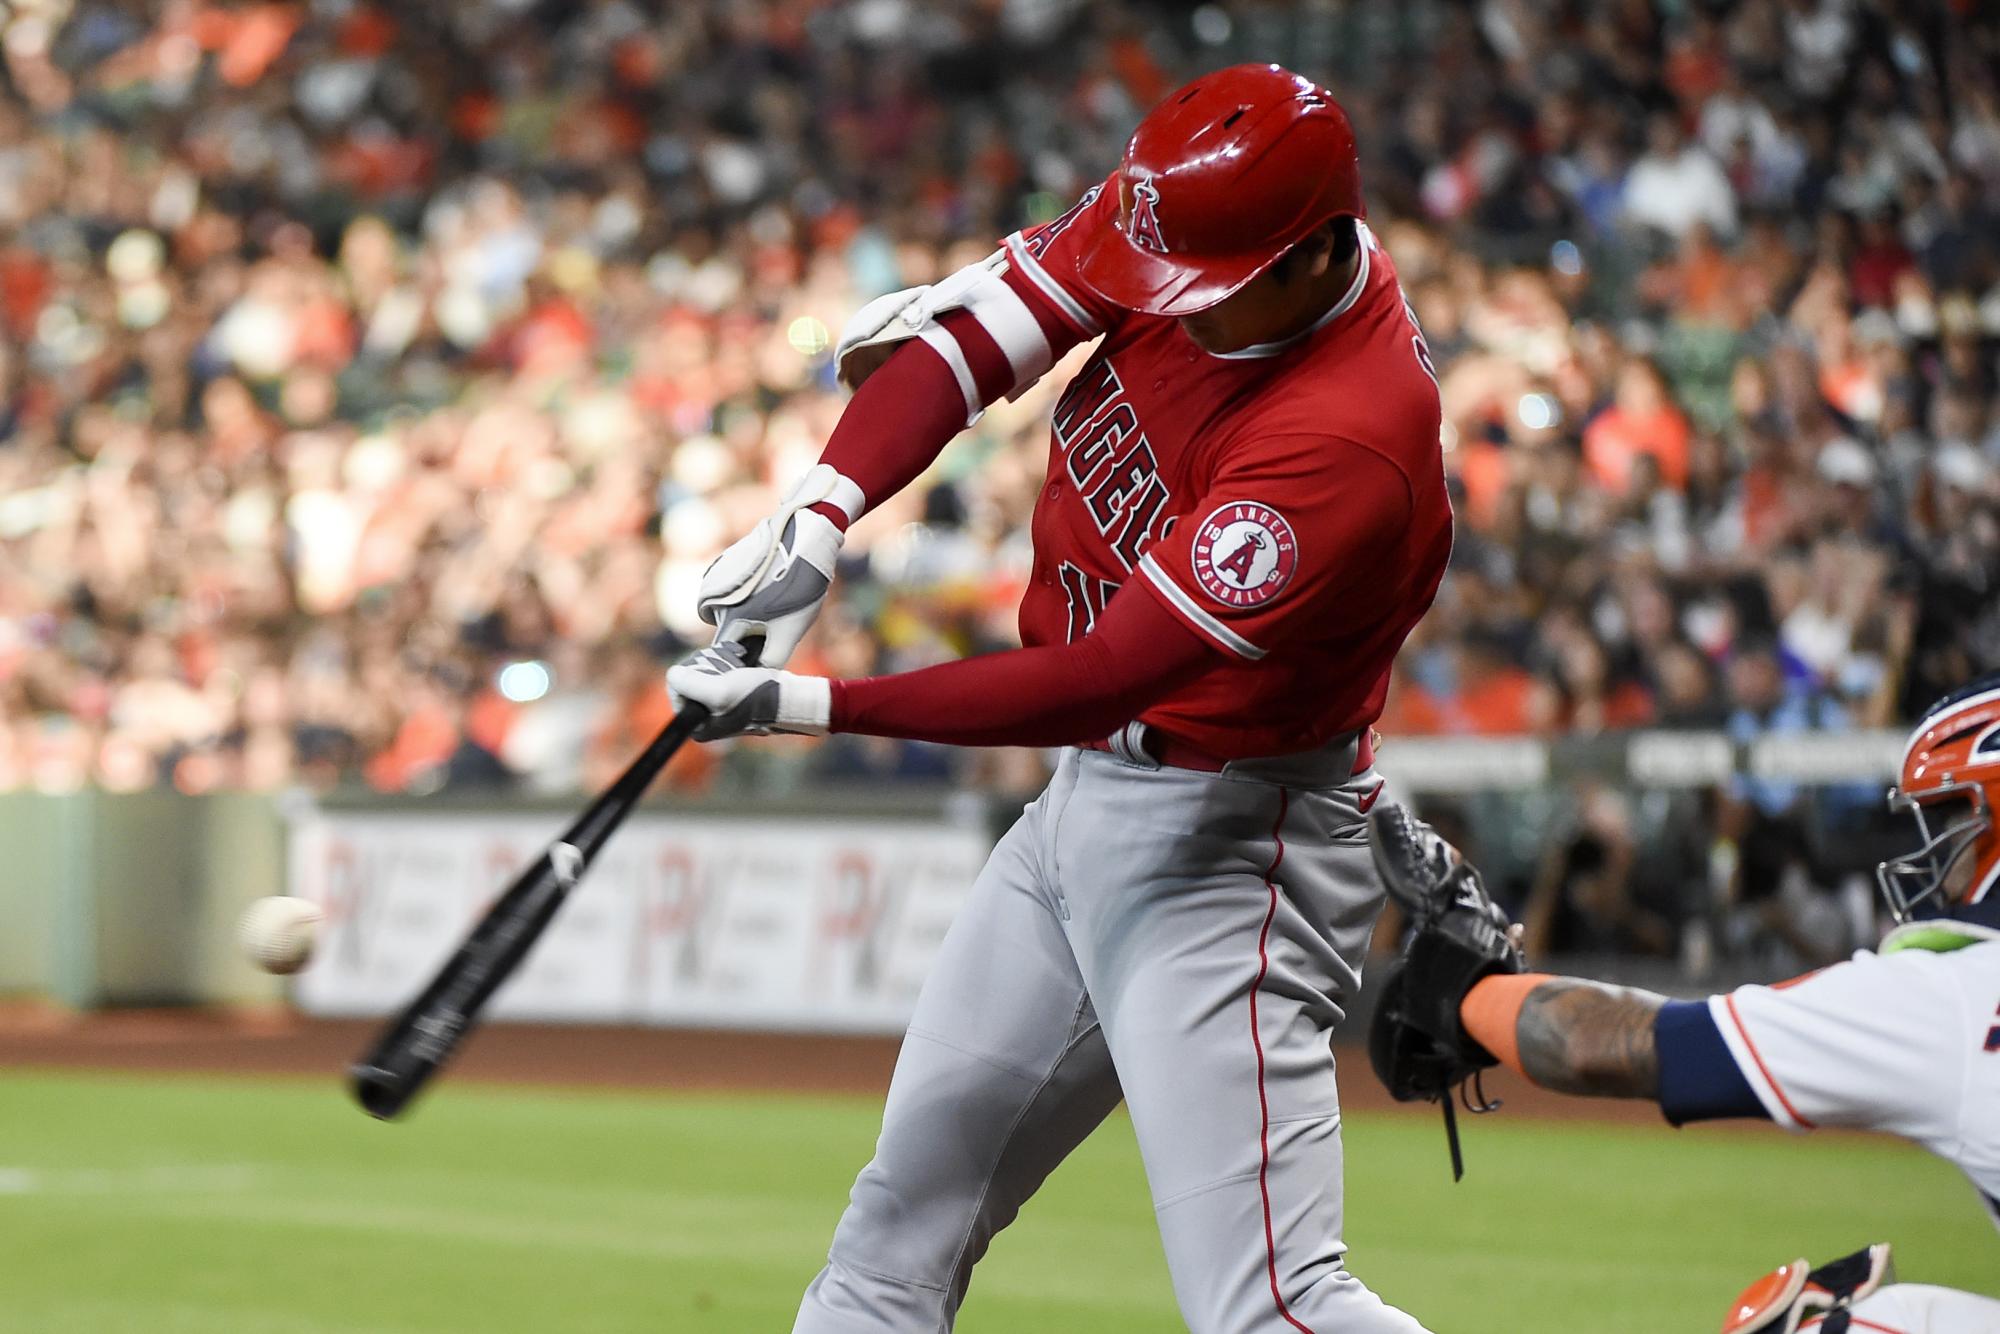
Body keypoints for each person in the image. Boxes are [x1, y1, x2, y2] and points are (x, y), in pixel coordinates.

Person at [668, 64, 1449, 1334]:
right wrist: (817, 512)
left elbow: (1103, 676)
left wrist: (805, 705)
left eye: (1208, 289)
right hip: (1090, 803)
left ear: (1315, 251)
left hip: (1229, 844)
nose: (1169, 305)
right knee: (892, 1232)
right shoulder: (1193, 213)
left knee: (1271, 1303)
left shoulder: (1345, 434)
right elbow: (977, 339)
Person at [1364, 673, 2000, 1333]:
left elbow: (1603, 1047)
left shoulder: (1952, 993)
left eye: (1956, 815)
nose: (1937, 847)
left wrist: (1467, 994)